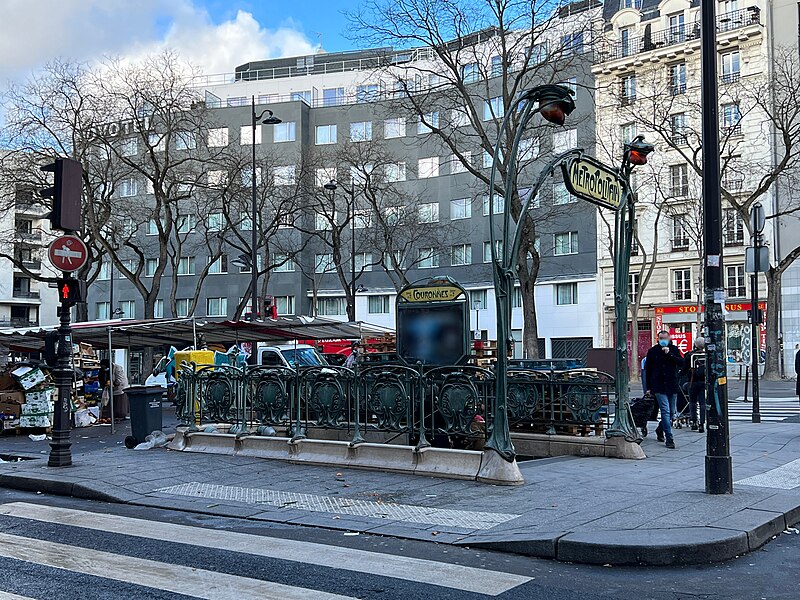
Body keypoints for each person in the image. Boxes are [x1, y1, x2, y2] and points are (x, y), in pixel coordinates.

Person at [645, 331, 684, 449]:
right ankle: (669, 437)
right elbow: (648, 370)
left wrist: (670, 354)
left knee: (672, 412)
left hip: (672, 384)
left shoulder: (674, 349)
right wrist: (648, 388)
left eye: (664, 338)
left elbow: (681, 362)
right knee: (665, 411)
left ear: (669, 338)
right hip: (659, 386)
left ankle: (660, 429)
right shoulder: (653, 351)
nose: (662, 340)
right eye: (660, 338)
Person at [682, 338, 706, 433]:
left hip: (692, 381)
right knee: (702, 403)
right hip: (704, 382)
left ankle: (694, 421)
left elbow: (684, 368)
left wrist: (680, 373)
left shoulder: (690, 355)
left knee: (692, 402)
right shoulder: (707, 355)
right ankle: (702, 423)